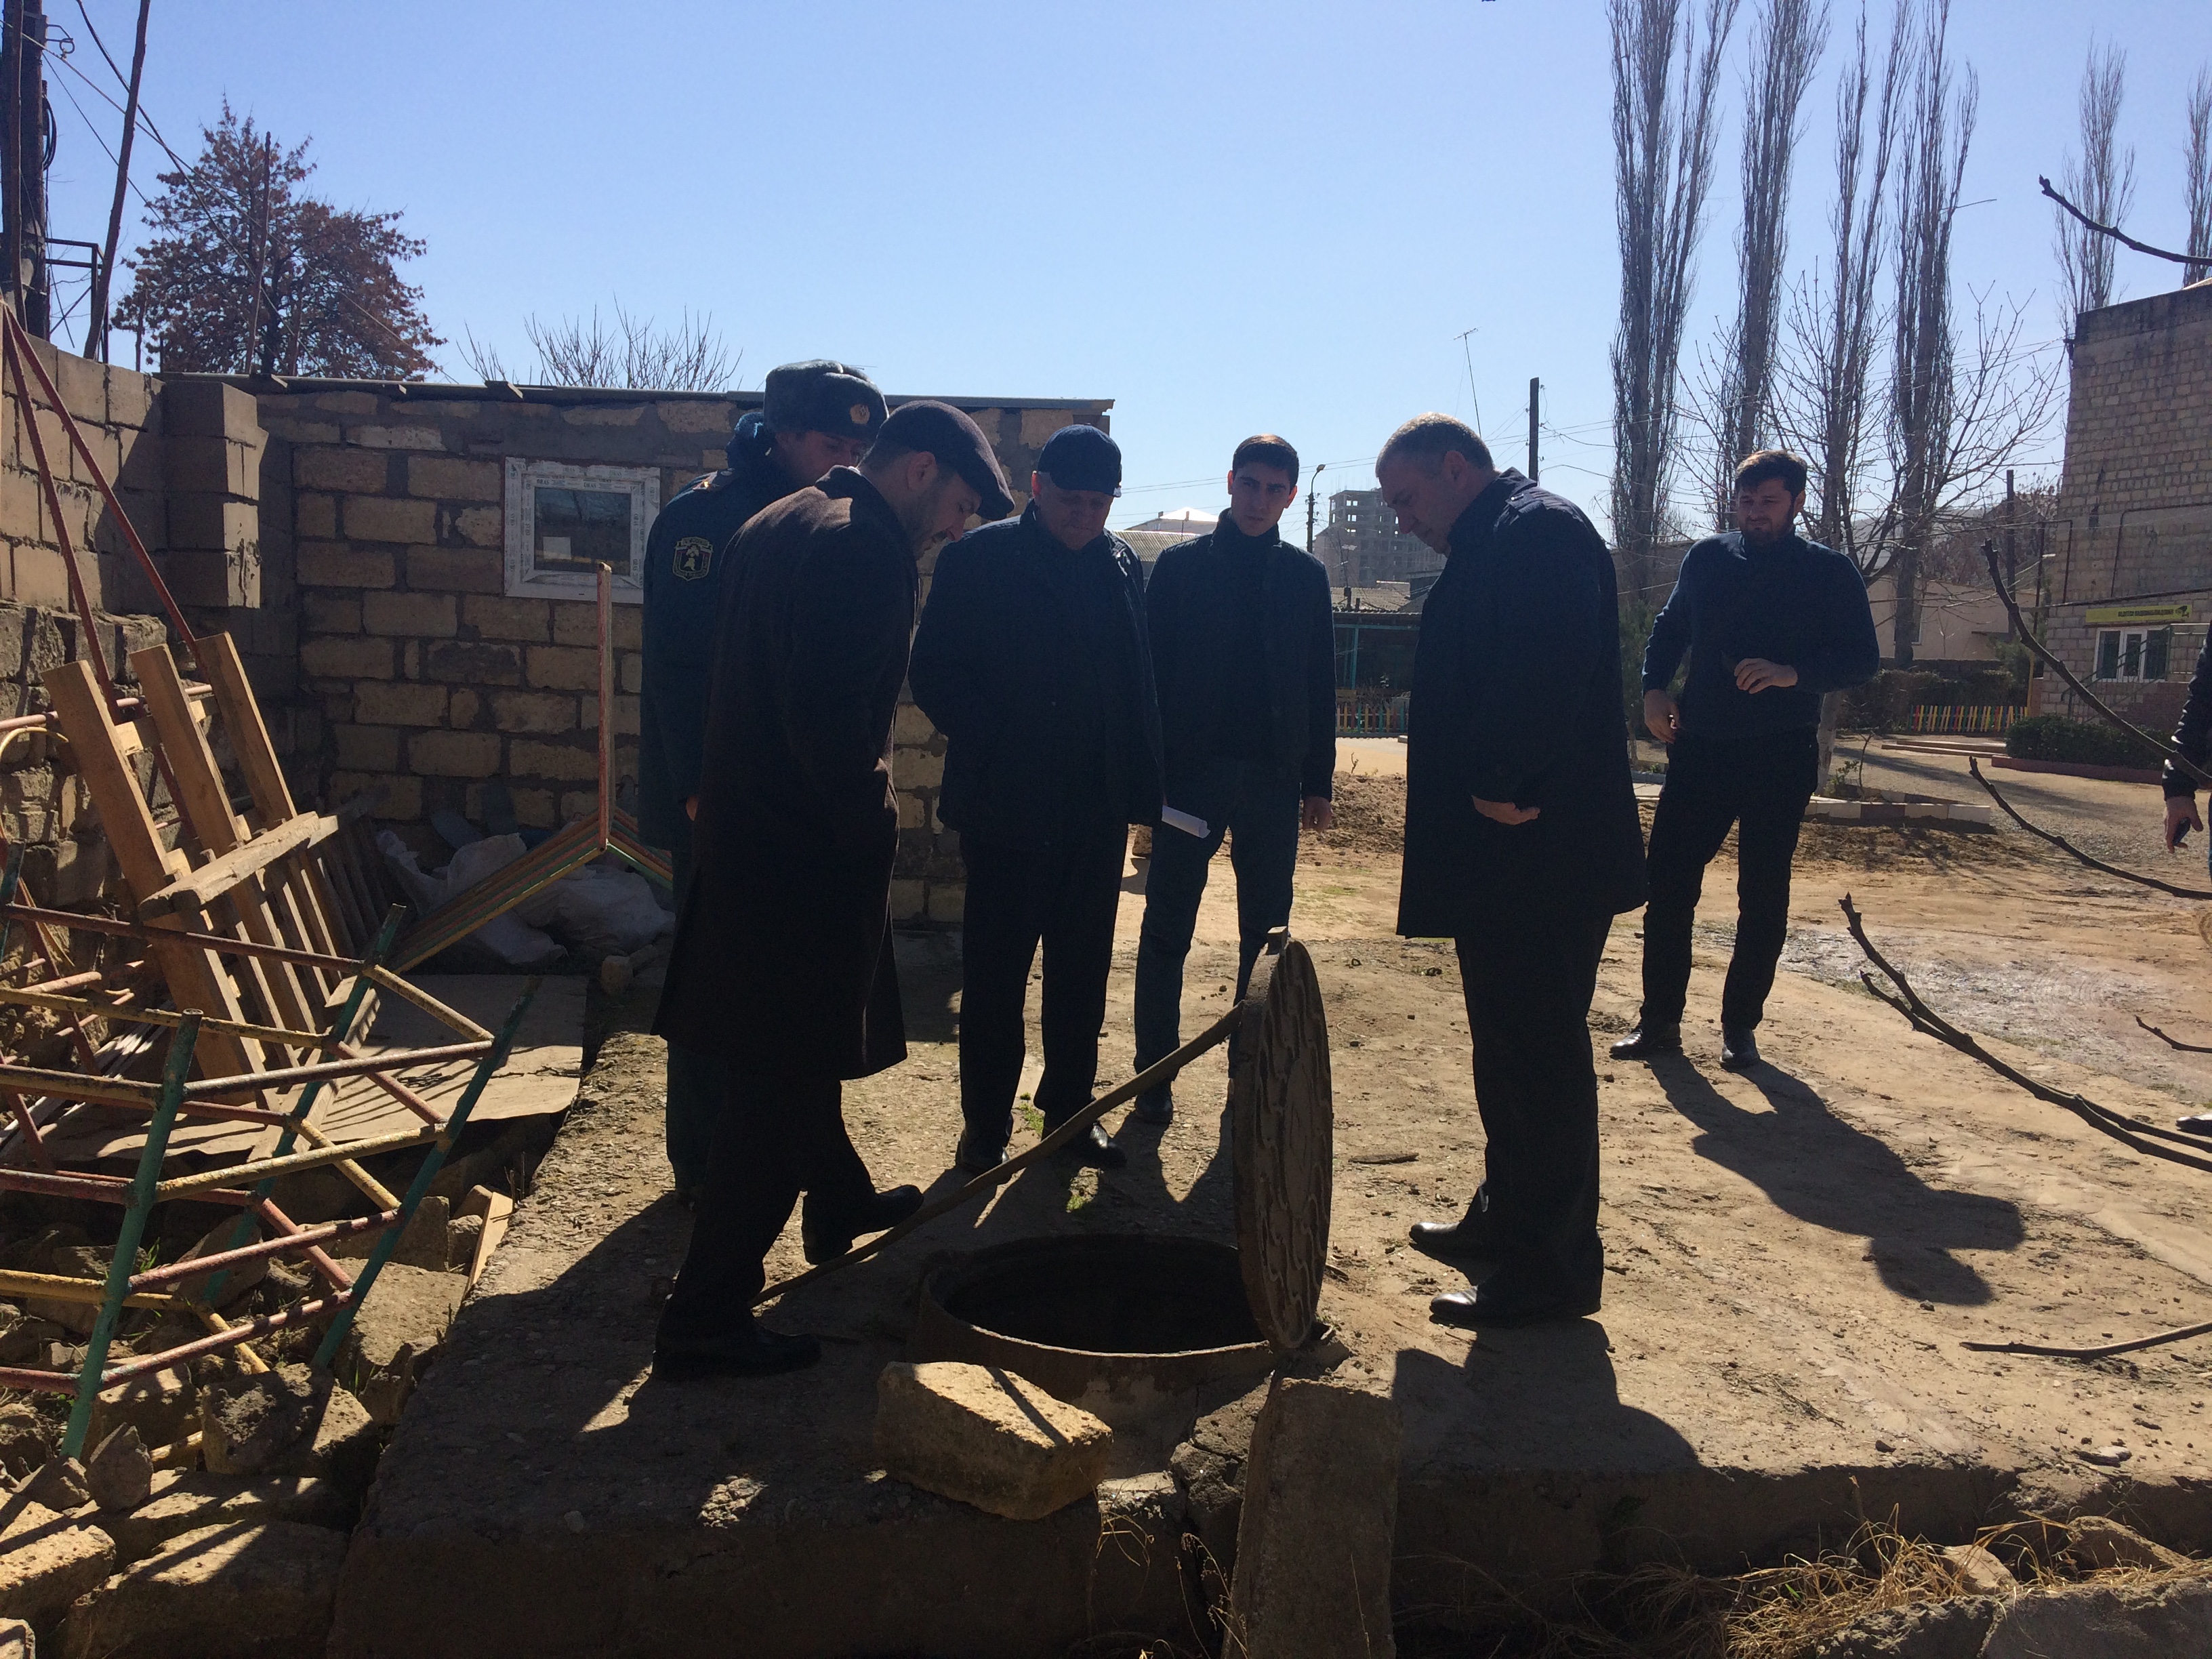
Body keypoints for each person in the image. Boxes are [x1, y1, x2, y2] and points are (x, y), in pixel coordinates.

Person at [651, 401, 1015, 1378]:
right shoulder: (864, 550)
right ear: (920, 470)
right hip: (802, 858)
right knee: (775, 1091)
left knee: (797, 1059)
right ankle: (704, 1317)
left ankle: (841, 1199)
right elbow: (829, 721)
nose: (957, 528)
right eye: (960, 505)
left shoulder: (779, 519)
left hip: (748, 840)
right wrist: (871, 828)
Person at [1381, 413, 1645, 1328]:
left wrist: (1498, 777)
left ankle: (1551, 1269)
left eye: (1407, 498)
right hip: (1511, 855)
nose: (1402, 519)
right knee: (1507, 1048)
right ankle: (1507, 1219)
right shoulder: (1495, 535)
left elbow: (1545, 667)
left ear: (1456, 468)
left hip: (1540, 849)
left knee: (1539, 1059)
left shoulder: (1538, 531)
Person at [638, 360, 886, 1203]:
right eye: (831, 443)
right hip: (719, 798)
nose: (846, 460)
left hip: (793, 798)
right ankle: (702, 1165)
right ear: (782, 434)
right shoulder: (704, 520)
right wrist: (695, 788)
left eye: (858, 447)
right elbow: (679, 669)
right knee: (715, 987)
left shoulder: (836, 515)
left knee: (800, 991)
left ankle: (806, 1171)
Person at [909, 425, 1162, 1174]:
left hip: (1093, 811)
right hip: (1007, 808)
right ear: (1037, 488)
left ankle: (1069, 1117)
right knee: (995, 978)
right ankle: (986, 1127)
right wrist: (1001, 738)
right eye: (1071, 500)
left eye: (1099, 503)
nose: (1084, 516)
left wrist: (1141, 787)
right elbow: (935, 671)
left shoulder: (1120, 563)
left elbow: (1137, 679)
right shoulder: (978, 560)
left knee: (1082, 975)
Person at [1612, 449, 1879, 1073]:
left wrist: (1792, 674)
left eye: (1769, 502)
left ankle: (1740, 1027)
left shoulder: (1828, 572)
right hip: (1701, 747)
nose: (1755, 513)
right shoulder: (1707, 559)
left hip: (1780, 752)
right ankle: (1659, 1021)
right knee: (1668, 884)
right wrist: (1653, 690)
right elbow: (1670, 629)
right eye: (1746, 501)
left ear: (1797, 503)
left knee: (1762, 894)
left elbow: (1862, 659)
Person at [1132, 434, 1336, 1125]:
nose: (1259, 500)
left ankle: (1252, 1076)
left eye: (1275, 490)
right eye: (1250, 484)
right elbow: (1149, 677)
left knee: (1266, 936)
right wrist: (1149, 777)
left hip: (1274, 781)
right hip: (1191, 781)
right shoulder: (1180, 569)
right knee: (1167, 929)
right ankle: (1154, 1077)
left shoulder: (1305, 577)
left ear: (1291, 496)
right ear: (1229, 482)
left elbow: (1319, 683)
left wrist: (1319, 782)